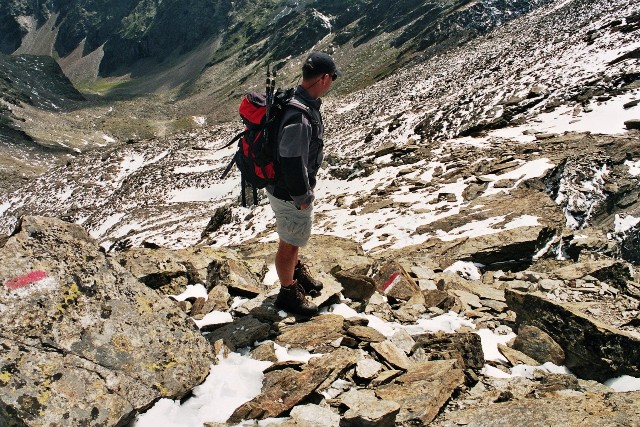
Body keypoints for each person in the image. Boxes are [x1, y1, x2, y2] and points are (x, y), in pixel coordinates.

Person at [267, 51, 341, 316]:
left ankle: (295, 274)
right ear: (323, 78)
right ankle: (288, 292)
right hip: (290, 193)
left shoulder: (298, 101)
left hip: (282, 188)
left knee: (293, 238)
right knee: (289, 241)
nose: (332, 82)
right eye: (332, 77)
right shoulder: (299, 116)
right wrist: (302, 196)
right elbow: (291, 159)